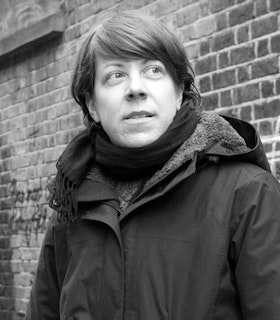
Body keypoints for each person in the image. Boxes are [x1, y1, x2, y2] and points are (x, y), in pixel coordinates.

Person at [25, 11, 280, 320]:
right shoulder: (71, 203)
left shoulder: (248, 193)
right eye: (115, 75)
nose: (135, 88)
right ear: (92, 105)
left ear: (178, 93)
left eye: (153, 70)